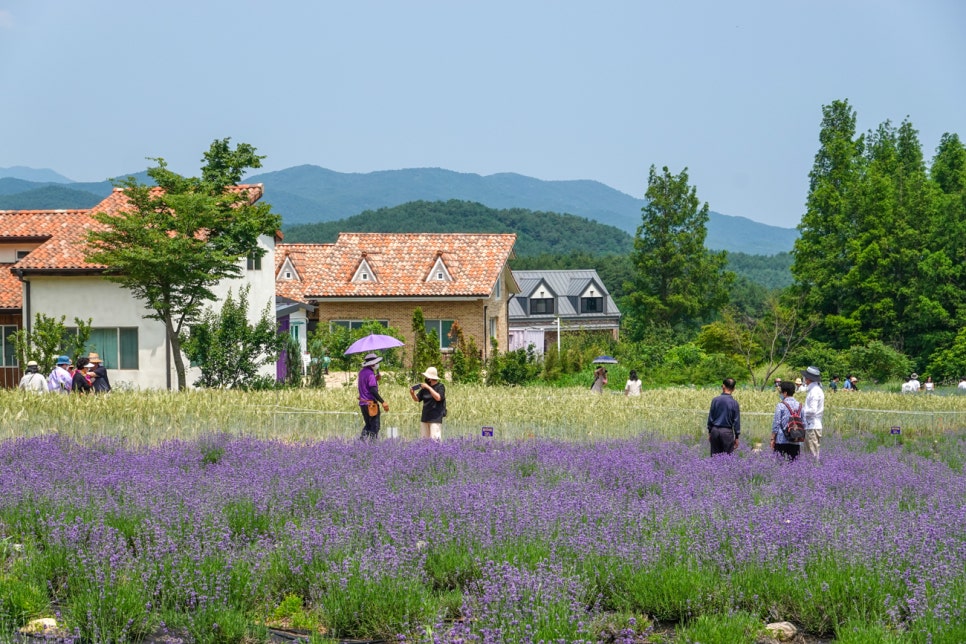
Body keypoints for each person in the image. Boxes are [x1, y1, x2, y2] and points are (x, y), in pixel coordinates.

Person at [357, 353, 388, 441]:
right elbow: (373, 390)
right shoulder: (370, 373)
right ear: (373, 364)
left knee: (368, 425)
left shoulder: (362, 372)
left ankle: (361, 442)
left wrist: (375, 378)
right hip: (371, 404)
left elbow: (365, 384)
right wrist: (383, 402)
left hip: (363, 403)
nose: (377, 365)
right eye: (376, 363)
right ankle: (372, 445)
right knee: (375, 426)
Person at [410, 366, 445, 440]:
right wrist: (412, 394)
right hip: (425, 417)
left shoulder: (440, 387)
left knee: (435, 440)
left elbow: (438, 398)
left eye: (427, 377)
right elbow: (417, 399)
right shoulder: (424, 388)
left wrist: (429, 388)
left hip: (435, 418)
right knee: (424, 440)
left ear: (431, 378)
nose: (425, 379)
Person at [707, 377, 741, 456]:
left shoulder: (715, 400)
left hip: (715, 431)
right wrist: (736, 437)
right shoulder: (734, 403)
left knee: (715, 457)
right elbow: (736, 421)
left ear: (723, 386)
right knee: (727, 458)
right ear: (734, 388)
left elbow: (710, 417)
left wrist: (710, 432)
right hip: (727, 432)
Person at [771, 380, 803, 460]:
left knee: (778, 464)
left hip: (781, 439)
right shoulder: (800, 406)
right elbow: (804, 423)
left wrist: (772, 438)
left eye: (781, 392)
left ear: (785, 393)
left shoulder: (781, 405)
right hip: (795, 439)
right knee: (794, 465)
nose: (780, 394)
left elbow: (776, 423)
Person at [801, 366, 825, 460]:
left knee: (812, 454)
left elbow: (812, 410)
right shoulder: (815, 390)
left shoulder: (814, 391)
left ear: (808, 379)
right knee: (811, 453)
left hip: (812, 425)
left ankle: (813, 472)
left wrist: (800, 411)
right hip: (813, 425)